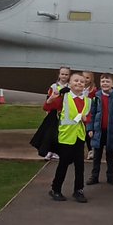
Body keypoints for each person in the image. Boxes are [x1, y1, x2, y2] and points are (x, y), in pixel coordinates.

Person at [42, 72, 91, 202]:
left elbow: (89, 116)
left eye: (82, 81)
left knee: (80, 166)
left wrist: (86, 119)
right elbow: (47, 107)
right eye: (76, 81)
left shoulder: (87, 100)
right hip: (66, 137)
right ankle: (56, 189)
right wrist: (51, 99)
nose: (79, 83)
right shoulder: (64, 98)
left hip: (79, 137)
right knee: (63, 165)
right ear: (70, 83)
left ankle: (78, 190)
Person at [86, 74, 113, 186]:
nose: (105, 83)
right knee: (97, 155)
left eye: (107, 81)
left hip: (112, 131)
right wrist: (90, 128)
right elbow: (91, 114)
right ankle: (94, 176)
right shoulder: (96, 97)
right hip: (98, 131)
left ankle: (111, 176)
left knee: (110, 155)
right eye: (103, 81)